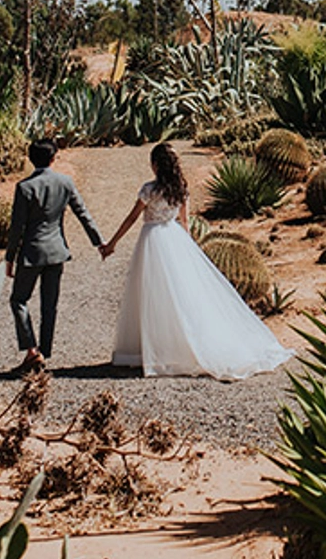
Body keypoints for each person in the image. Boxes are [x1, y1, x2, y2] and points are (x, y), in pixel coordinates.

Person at [101, 143, 293, 381]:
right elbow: (185, 222)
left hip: (151, 240)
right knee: (180, 294)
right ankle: (173, 347)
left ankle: (149, 349)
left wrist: (112, 243)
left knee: (151, 294)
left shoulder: (149, 189)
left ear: (156, 165)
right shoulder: (181, 189)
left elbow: (132, 218)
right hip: (174, 238)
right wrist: (187, 249)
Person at [6, 139, 106, 373]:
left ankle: (31, 351)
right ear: (53, 158)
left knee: (19, 300)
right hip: (56, 251)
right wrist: (99, 242)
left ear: (31, 159)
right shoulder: (65, 182)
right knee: (49, 305)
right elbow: (83, 214)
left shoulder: (24, 187)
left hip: (31, 253)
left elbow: (17, 227)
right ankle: (43, 352)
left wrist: (10, 257)